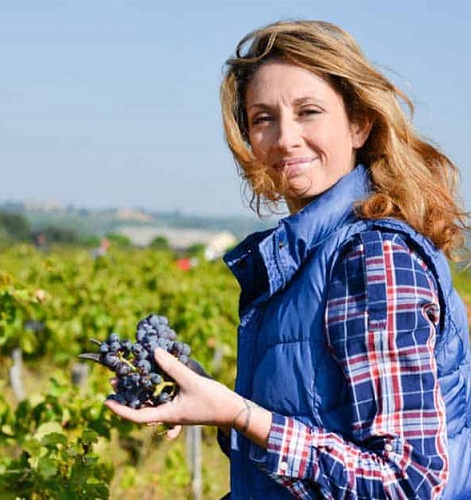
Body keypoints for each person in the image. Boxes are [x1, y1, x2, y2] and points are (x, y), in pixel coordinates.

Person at [105, 20, 471, 498]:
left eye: (308, 112)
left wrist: (240, 414)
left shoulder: (373, 258)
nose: (285, 138)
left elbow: (407, 482)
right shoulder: (308, 257)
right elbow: (313, 443)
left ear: (359, 124)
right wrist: (218, 406)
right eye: (264, 119)